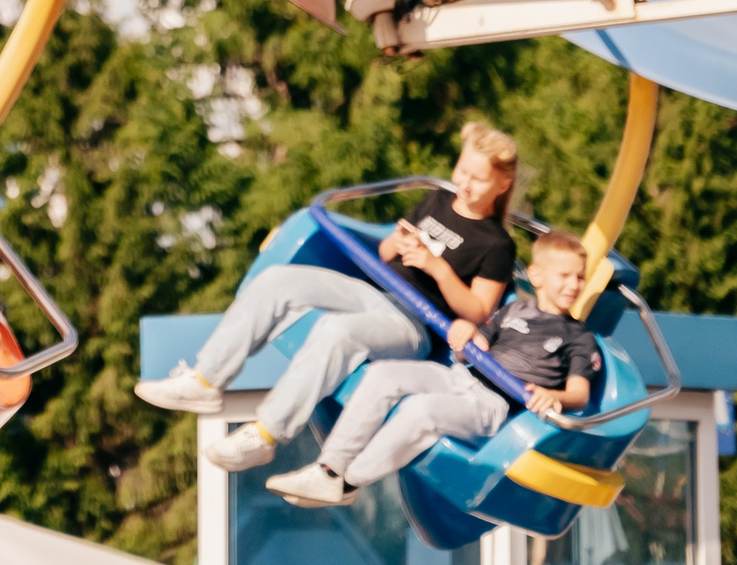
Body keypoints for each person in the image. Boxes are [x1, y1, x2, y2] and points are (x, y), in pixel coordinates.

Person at [136, 123, 522, 472]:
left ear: (502, 185)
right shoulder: (437, 200)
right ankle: (206, 380)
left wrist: (438, 268)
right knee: (278, 281)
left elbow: (479, 309)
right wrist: (397, 243)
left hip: (413, 325)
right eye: (462, 171)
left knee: (338, 331)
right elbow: (386, 253)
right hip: (377, 291)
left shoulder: (497, 244)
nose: (465, 184)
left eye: (478, 179)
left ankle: (266, 434)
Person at [263, 229, 603, 507]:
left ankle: (349, 482)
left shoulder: (578, 336)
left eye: (580, 278)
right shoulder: (513, 311)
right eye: (565, 276)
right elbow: (477, 343)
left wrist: (551, 395)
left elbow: (579, 393)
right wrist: (466, 334)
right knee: (384, 375)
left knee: (420, 410)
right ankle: (328, 468)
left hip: (490, 404)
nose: (574, 285)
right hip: (459, 377)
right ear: (537, 275)